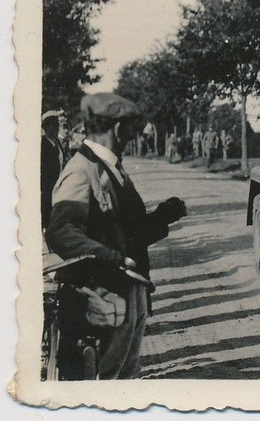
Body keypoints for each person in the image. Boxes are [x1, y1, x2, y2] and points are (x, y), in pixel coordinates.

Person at [45, 92, 187, 379]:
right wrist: (107, 255)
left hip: (127, 292)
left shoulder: (111, 168)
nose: (134, 135)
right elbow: (61, 231)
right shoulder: (81, 171)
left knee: (124, 377)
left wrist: (161, 217)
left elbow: (126, 233)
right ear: (120, 129)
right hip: (103, 295)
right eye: (131, 129)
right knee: (105, 381)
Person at [41, 109, 68, 228]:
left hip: (59, 188)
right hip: (47, 190)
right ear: (46, 127)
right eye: (54, 125)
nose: (57, 128)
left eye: (57, 125)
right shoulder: (42, 145)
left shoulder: (57, 143)